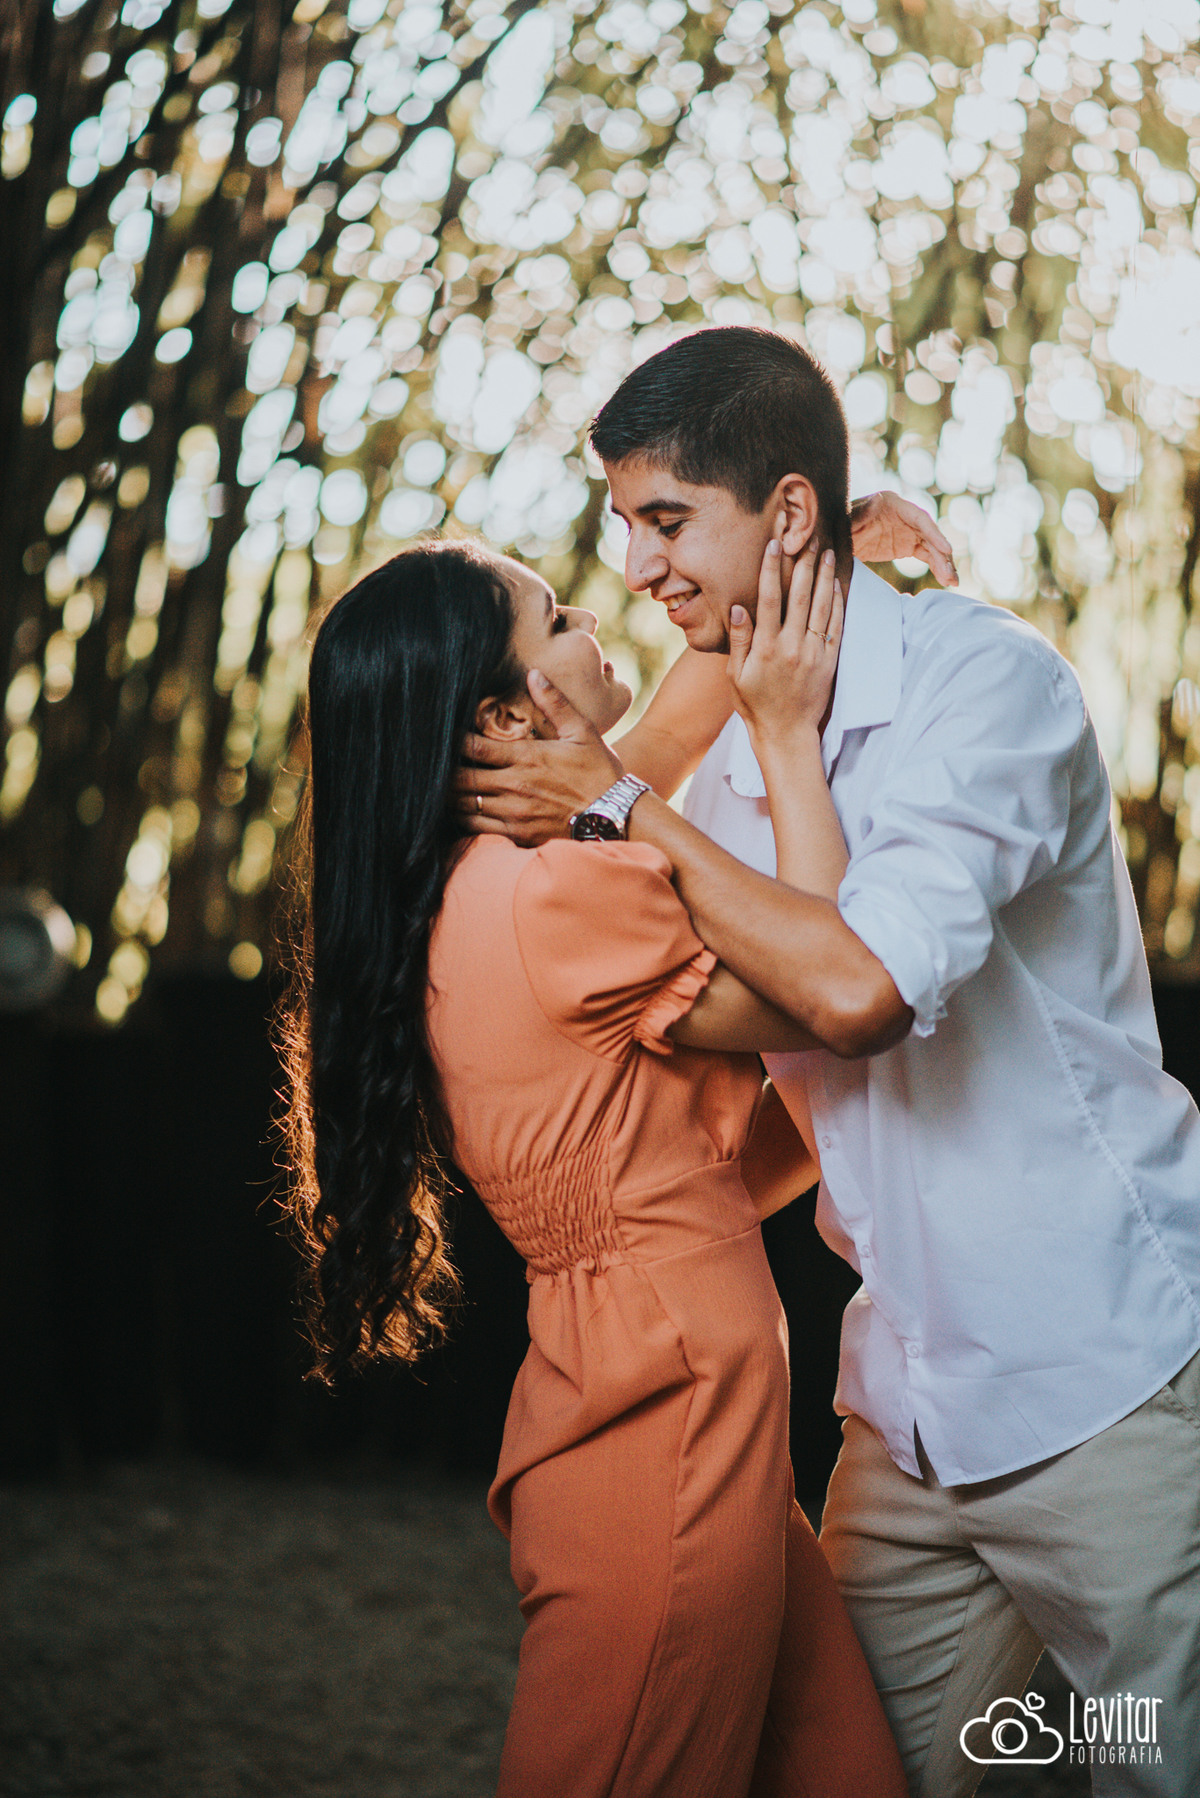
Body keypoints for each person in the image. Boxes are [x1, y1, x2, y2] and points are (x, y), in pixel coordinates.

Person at [460, 324, 1200, 1798]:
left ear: (781, 510)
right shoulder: (731, 756)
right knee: (851, 1774)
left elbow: (856, 987)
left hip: (1104, 1378)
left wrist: (622, 801)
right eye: (625, 527)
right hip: (904, 1410)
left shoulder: (987, 690)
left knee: (1154, 1766)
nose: (644, 564)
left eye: (669, 520)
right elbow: (743, 993)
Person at [279, 531, 916, 1797]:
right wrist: (786, 730)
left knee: (843, 1775)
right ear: (510, 716)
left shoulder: (468, 888)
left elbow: (652, 748)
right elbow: (837, 973)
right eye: (558, 613)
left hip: (649, 1383)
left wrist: (797, 557)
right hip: (668, 1411)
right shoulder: (553, 895)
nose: (597, 613)